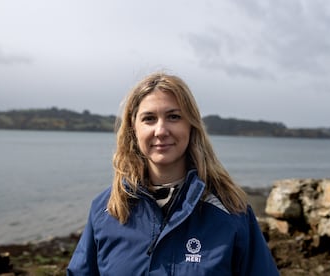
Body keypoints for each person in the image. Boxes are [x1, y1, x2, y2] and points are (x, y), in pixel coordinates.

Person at [67, 72, 279, 275]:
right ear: (134, 128)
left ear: (191, 125)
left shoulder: (231, 212)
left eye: (174, 117)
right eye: (149, 118)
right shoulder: (106, 209)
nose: (160, 130)